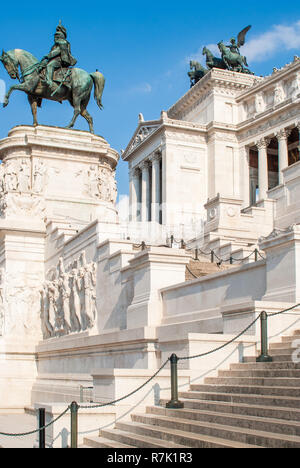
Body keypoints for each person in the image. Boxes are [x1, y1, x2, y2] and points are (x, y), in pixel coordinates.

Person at [40, 21, 77, 93]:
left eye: (56, 36)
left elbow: (58, 51)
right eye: (55, 36)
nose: (55, 38)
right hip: (54, 59)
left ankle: (49, 82)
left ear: (60, 36)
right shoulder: (57, 44)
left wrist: (47, 56)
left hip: (59, 60)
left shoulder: (62, 42)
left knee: (50, 66)